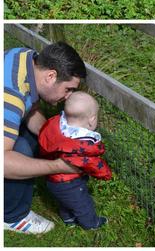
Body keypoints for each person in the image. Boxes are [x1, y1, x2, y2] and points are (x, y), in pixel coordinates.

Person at [4, 42, 86, 234]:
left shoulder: (25, 58)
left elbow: (30, 109)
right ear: (51, 76)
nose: (68, 97)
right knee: (22, 148)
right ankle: (12, 216)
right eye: (68, 89)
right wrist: (58, 166)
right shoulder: (10, 96)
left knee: (33, 140)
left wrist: (57, 140)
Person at [39, 91, 112, 229]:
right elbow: (93, 163)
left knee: (65, 200)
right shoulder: (83, 145)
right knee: (82, 203)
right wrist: (105, 173)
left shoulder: (57, 126)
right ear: (92, 119)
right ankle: (91, 223)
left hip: (53, 179)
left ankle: (68, 218)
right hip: (70, 182)